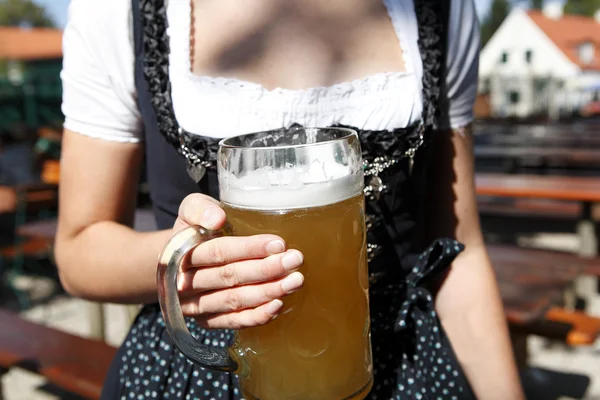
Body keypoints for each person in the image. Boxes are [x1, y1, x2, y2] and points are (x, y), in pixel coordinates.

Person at [56, 0, 525, 398]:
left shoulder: (439, 7)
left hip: (398, 366)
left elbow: (460, 252)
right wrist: (189, 266)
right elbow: (78, 250)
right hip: (206, 370)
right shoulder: (117, 9)